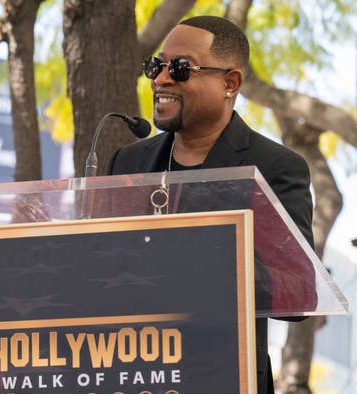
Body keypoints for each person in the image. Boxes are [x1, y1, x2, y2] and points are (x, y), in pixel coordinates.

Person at [106, 16, 314, 394]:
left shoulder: (274, 168)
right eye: (157, 65)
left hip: (222, 377)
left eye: (181, 68)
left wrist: (196, 257)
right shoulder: (127, 163)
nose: (161, 79)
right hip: (130, 375)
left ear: (230, 83)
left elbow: (297, 293)